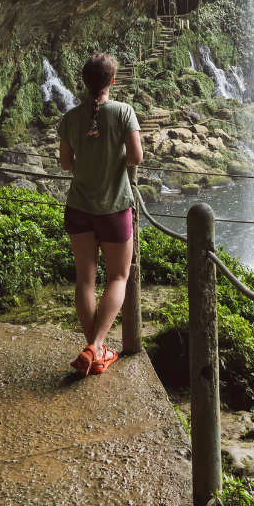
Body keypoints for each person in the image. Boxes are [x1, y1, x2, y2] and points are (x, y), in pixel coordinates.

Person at [57, 52, 144, 376]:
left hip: (78, 207)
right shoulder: (123, 112)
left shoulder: (70, 117)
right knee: (118, 277)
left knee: (85, 281)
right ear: (112, 81)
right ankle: (97, 346)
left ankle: (95, 349)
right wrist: (112, 156)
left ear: (84, 81)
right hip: (114, 207)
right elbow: (135, 157)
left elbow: (67, 164)